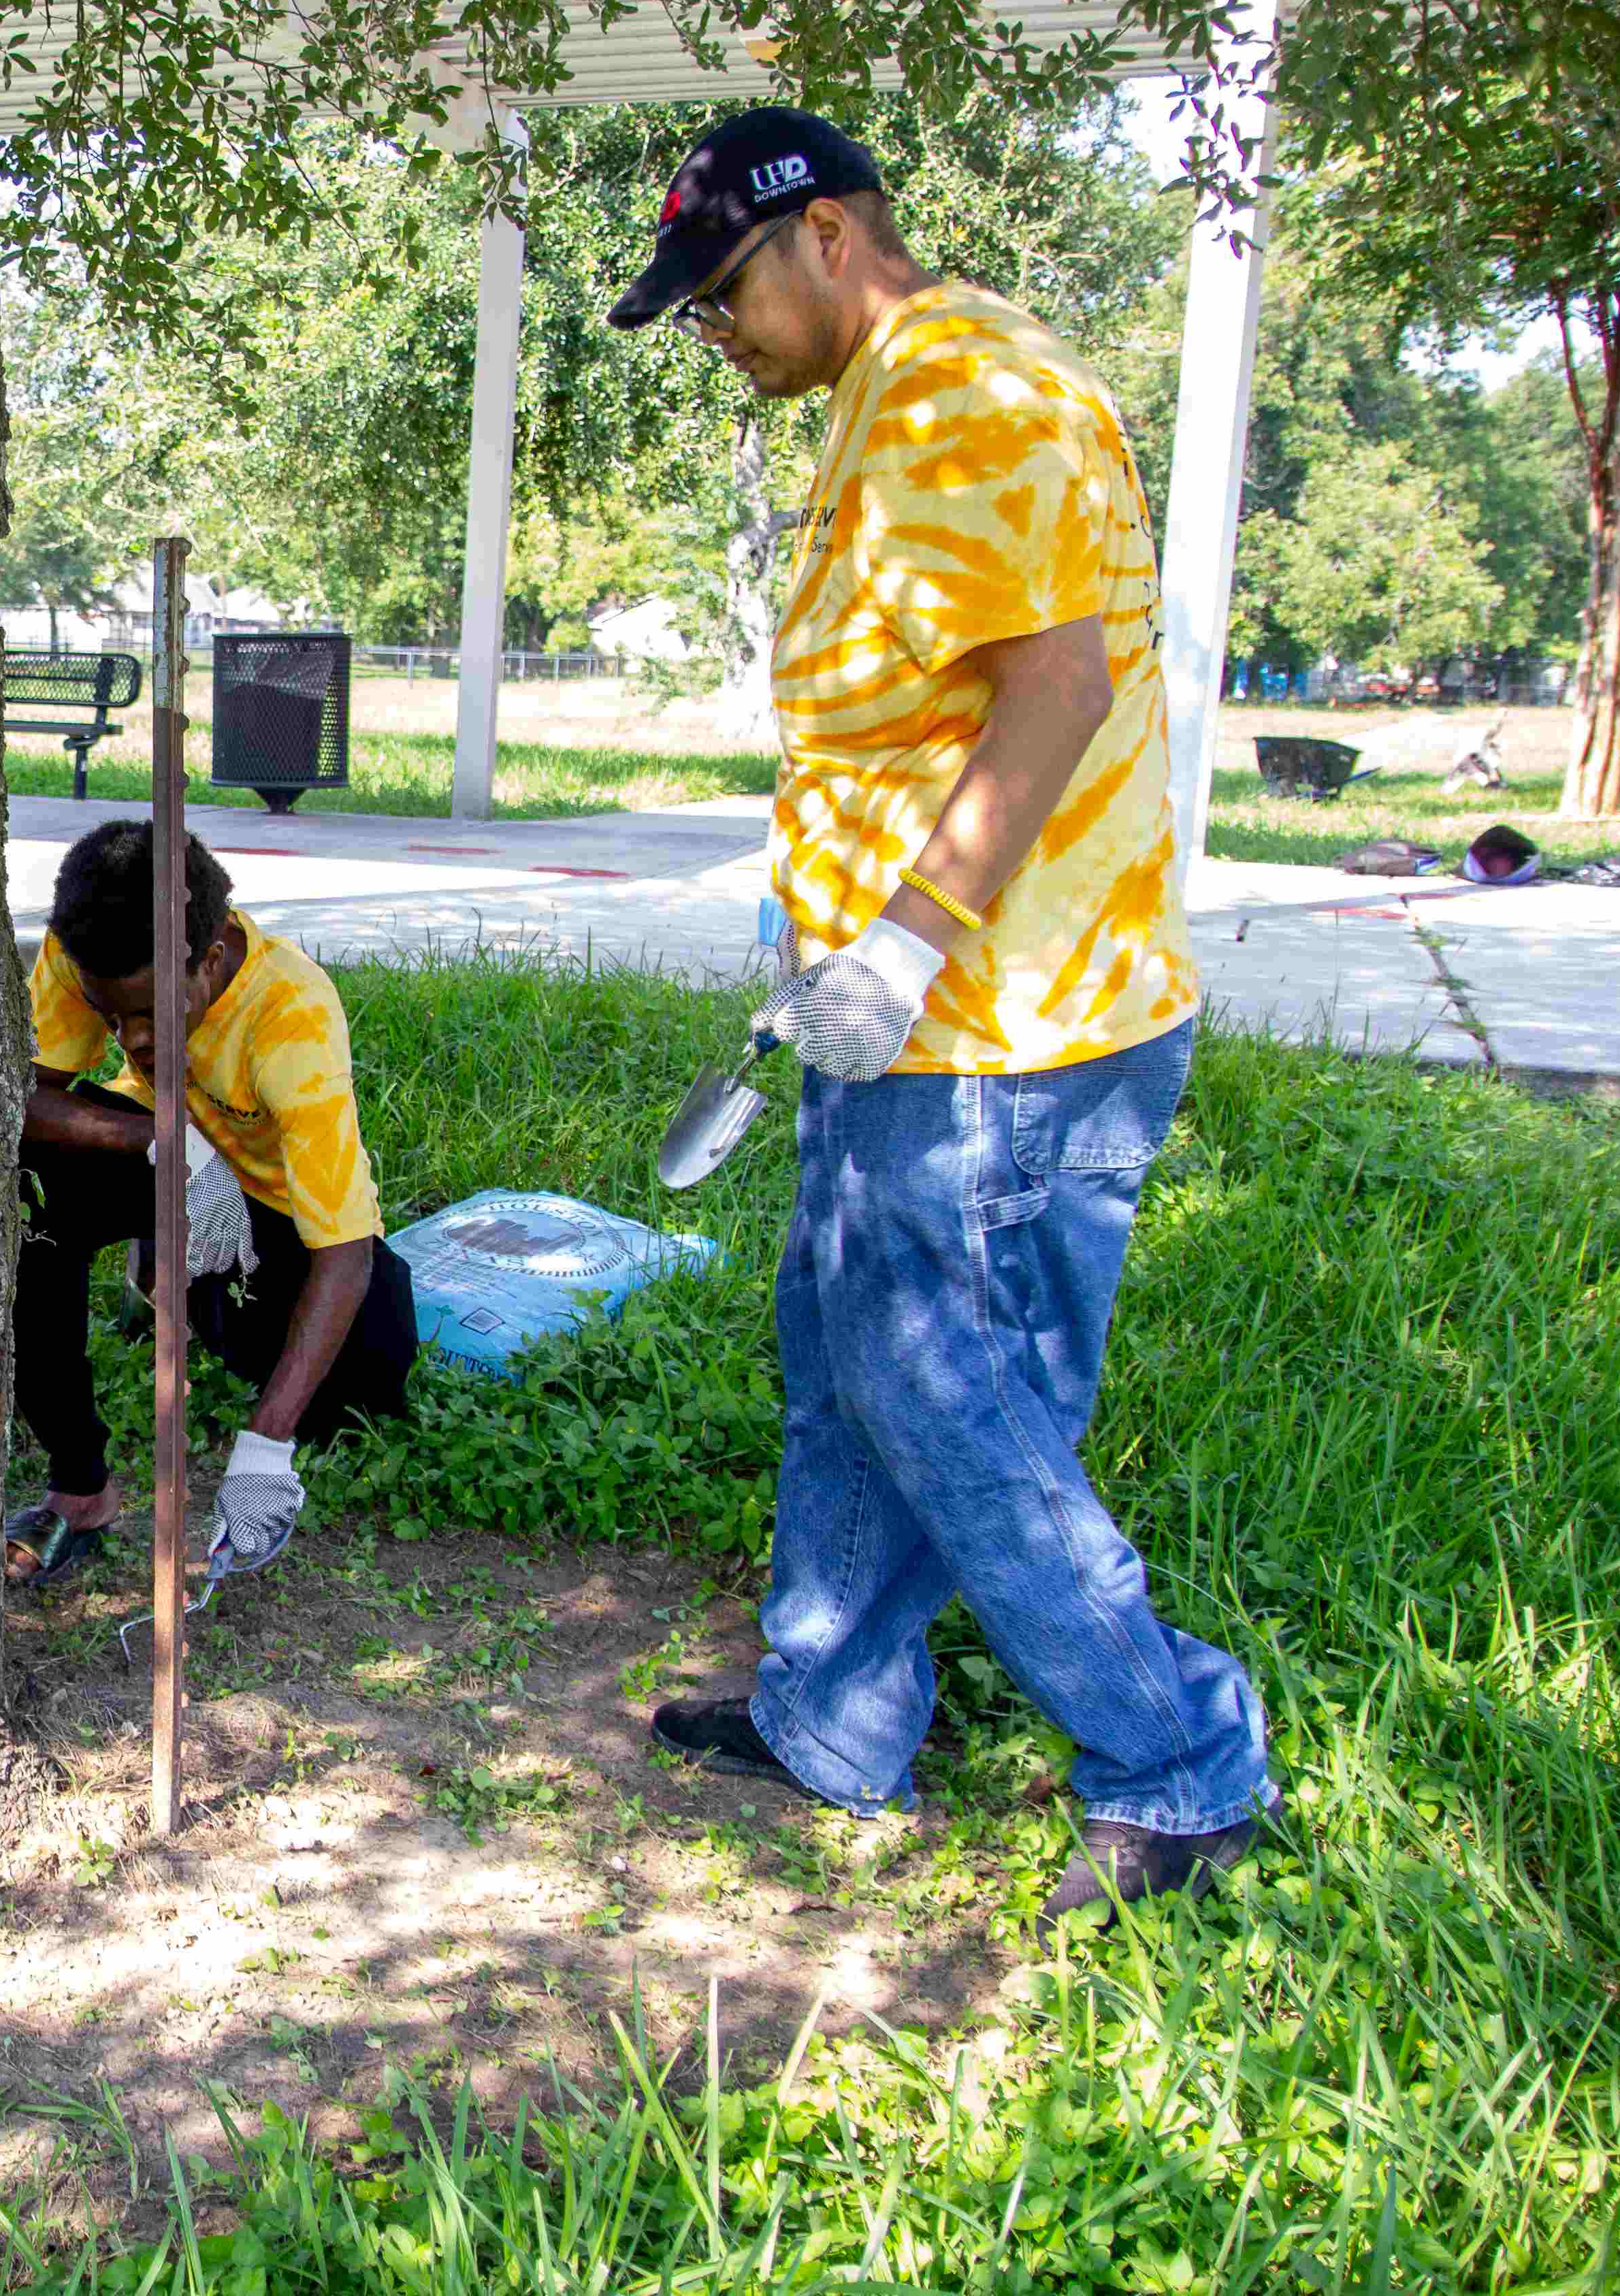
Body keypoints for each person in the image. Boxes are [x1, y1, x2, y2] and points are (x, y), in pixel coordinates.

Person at [604, 108, 1276, 1926]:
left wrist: (904, 939)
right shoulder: (876, 407)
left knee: (954, 1404)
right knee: (847, 1364)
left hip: (1009, 1027)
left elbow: (1056, 684)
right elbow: (896, 715)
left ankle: (1185, 1760)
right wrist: (829, 940)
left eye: (722, 286)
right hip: (896, 1017)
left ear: (826, 235)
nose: (708, 326)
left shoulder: (974, 388)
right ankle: (834, 1716)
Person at [10, 821, 415, 1590]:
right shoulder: (85, 948)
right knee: (22, 1195)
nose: (131, 1038)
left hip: (267, 1213)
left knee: (365, 1375)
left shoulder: (292, 1012)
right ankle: (79, 1489)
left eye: (151, 1014)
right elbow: (24, 1101)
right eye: (112, 1015)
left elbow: (345, 1250)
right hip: (153, 1157)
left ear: (214, 957)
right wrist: (170, 1144)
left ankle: (171, 1270)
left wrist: (265, 1451)